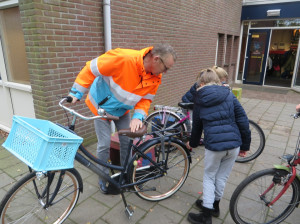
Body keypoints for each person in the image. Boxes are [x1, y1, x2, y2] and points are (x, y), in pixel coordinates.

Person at [68, 44, 177, 194]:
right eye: (166, 68)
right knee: (104, 144)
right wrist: (76, 92)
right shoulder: (123, 58)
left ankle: (127, 174)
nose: (165, 72)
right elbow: (91, 68)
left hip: (122, 110)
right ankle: (104, 177)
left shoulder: (155, 77)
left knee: (127, 142)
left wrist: (138, 117)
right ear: (156, 59)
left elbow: (146, 100)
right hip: (101, 108)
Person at [186, 69, 251, 224]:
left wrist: (192, 144)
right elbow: (243, 120)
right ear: (217, 81)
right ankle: (215, 206)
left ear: (201, 84)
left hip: (215, 147)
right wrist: (245, 146)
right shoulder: (229, 94)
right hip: (234, 145)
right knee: (221, 176)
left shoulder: (199, 99)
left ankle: (206, 215)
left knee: (209, 176)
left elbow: (197, 127)